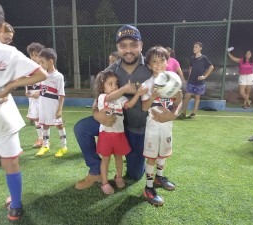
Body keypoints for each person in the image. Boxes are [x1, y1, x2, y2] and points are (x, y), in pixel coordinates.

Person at [74, 25, 175, 190]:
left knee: (135, 175)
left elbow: (173, 92)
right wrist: (97, 114)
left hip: (139, 127)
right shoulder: (111, 70)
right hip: (114, 122)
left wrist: (173, 113)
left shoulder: (152, 67)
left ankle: (132, 159)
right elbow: (98, 97)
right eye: (123, 46)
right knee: (81, 128)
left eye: (133, 45)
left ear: (141, 45)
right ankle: (95, 170)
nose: (128, 50)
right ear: (118, 48)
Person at [0, 0, 48, 221]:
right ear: (1, 27)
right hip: (4, 116)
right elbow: (41, 75)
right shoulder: (8, 52)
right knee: (11, 161)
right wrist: (10, 85)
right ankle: (16, 207)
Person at [94, 71, 147, 194]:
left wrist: (137, 94)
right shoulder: (102, 97)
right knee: (105, 159)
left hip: (119, 134)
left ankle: (118, 177)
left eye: (116, 83)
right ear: (102, 86)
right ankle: (105, 182)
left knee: (119, 157)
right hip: (106, 135)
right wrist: (124, 89)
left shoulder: (120, 98)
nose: (114, 86)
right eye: (110, 84)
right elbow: (110, 97)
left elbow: (129, 105)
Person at [141, 46, 182, 206]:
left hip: (167, 126)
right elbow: (145, 108)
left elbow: (178, 103)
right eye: (154, 61)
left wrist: (176, 106)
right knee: (151, 156)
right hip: (153, 127)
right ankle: (148, 187)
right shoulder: (147, 84)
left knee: (162, 154)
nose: (158, 64)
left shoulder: (173, 81)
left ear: (167, 62)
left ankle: (159, 177)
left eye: (162, 60)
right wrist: (152, 97)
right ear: (149, 65)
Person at [36, 48, 68, 157]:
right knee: (44, 125)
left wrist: (59, 109)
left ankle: (64, 147)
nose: (41, 65)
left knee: (59, 125)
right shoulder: (42, 75)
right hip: (43, 106)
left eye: (43, 62)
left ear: (51, 61)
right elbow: (42, 90)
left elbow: (62, 94)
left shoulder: (58, 76)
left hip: (54, 106)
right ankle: (45, 145)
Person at [178, 42, 214, 119]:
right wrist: (190, 74)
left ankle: (193, 113)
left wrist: (204, 76)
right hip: (191, 80)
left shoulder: (204, 58)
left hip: (199, 82)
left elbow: (211, 67)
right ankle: (183, 113)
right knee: (187, 96)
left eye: (196, 47)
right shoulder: (192, 58)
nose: (194, 48)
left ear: (200, 48)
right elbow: (190, 67)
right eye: (194, 47)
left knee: (197, 97)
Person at [26, 42, 46, 148]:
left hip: (42, 97)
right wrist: (27, 91)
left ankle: (46, 140)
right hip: (32, 97)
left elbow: (48, 82)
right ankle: (40, 138)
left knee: (43, 118)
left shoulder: (44, 68)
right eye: (32, 55)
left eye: (36, 55)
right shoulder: (29, 68)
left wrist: (40, 92)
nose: (34, 58)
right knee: (36, 118)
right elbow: (27, 80)